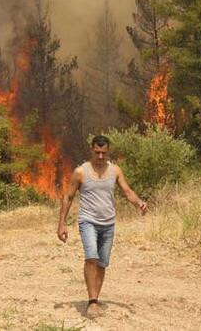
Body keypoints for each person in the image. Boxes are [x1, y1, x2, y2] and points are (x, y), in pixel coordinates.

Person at [57, 135, 148, 317]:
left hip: (108, 224)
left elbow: (127, 191)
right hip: (87, 221)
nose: (100, 156)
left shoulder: (115, 171)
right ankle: (92, 301)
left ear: (108, 151)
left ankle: (95, 299)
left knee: (102, 263)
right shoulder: (81, 172)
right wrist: (62, 224)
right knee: (91, 257)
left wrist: (139, 202)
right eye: (97, 152)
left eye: (103, 153)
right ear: (91, 150)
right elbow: (68, 197)